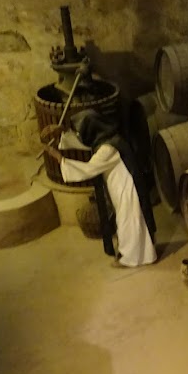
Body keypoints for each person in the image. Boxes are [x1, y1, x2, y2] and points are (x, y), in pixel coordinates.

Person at [42, 110, 157, 267]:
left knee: (128, 221)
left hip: (126, 186)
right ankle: (145, 255)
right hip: (122, 184)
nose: (81, 134)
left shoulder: (107, 149)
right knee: (131, 220)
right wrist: (61, 131)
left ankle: (130, 258)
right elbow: (85, 144)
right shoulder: (108, 138)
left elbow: (88, 169)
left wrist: (58, 157)